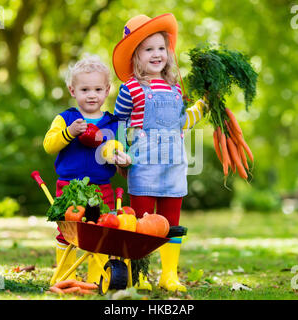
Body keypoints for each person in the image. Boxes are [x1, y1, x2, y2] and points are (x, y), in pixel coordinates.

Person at [112, 13, 207, 292]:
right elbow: (119, 122)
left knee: (171, 225)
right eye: (148, 49)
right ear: (135, 56)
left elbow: (181, 123)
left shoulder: (177, 88)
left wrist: (202, 107)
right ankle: (140, 275)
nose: (157, 54)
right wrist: (120, 151)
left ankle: (169, 274)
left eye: (161, 48)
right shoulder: (130, 89)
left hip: (174, 164)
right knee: (142, 223)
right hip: (143, 164)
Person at [43, 55, 131, 283]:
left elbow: (119, 147)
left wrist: (119, 156)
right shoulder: (66, 118)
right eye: (84, 89)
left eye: (97, 89)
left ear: (107, 90)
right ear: (73, 91)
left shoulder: (113, 123)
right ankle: (64, 276)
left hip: (102, 188)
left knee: (102, 231)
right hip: (69, 187)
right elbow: (49, 144)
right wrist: (69, 132)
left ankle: (96, 279)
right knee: (68, 232)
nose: (92, 94)